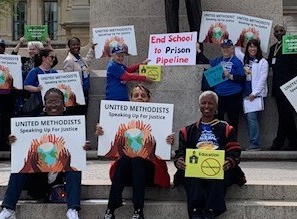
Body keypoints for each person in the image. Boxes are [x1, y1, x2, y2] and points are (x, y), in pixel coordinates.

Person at [0, 88, 90, 219]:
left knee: (75, 167)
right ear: (44, 105)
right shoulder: (32, 124)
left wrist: (83, 147)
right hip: (37, 178)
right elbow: (20, 152)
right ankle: (8, 209)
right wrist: (14, 142)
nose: (53, 105)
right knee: (20, 165)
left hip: (59, 178)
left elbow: (76, 151)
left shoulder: (74, 124)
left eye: (57, 102)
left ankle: (72, 210)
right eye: (50, 102)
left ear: (64, 104)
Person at [96, 85, 174, 219]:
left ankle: (138, 209)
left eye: (143, 96)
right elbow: (112, 147)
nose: (139, 98)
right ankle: (111, 209)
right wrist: (103, 134)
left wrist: (168, 141)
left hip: (150, 173)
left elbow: (162, 150)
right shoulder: (120, 119)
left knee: (138, 159)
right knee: (127, 158)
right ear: (130, 99)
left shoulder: (159, 118)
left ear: (149, 99)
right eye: (136, 95)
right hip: (125, 172)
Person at [173, 91, 244, 219]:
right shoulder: (187, 131)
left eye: (211, 103)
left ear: (216, 106)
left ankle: (211, 211)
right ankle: (195, 211)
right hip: (196, 167)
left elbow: (234, 150)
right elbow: (180, 151)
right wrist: (179, 160)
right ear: (199, 106)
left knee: (217, 175)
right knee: (193, 176)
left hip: (219, 167)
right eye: (204, 103)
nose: (207, 106)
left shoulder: (226, 128)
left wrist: (229, 161)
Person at [267, 25, 297, 151]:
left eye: (281, 30)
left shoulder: (291, 45)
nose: (279, 33)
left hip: (289, 85)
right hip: (277, 86)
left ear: (285, 32)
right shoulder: (273, 48)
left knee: (285, 115)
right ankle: (294, 143)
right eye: (276, 31)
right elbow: (269, 62)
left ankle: (278, 142)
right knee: (286, 115)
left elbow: (296, 62)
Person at [208, 39, 245, 131]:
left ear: (232, 48)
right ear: (221, 49)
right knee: (218, 120)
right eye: (223, 48)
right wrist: (198, 51)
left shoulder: (236, 62)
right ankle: (221, 142)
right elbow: (206, 61)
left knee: (233, 121)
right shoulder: (217, 61)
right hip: (219, 95)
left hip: (233, 95)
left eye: (228, 47)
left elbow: (242, 78)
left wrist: (230, 76)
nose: (226, 50)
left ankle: (232, 143)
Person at [242, 39, 268, 151]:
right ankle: (253, 142)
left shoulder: (263, 62)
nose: (252, 49)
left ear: (258, 48)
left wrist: (254, 93)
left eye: (255, 46)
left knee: (252, 118)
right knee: (249, 119)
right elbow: (237, 49)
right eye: (250, 46)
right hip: (245, 93)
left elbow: (263, 79)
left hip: (256, 94)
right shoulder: (245, 60)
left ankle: (255, 144)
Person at [63, 37, 95, 116]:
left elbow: (87, 61)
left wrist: (92, 49)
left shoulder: (79, 57)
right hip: (76, 95)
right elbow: (68, 80)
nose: (76, 46)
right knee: (77, 115)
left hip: (85, 92)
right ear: (69, 46)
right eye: (73, 45)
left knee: (83, 115)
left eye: (77, 44)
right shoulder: (69, 60)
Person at [23, 49, 59, 114]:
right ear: (44, 58)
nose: (53, 59)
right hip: (39, 104)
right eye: (51, 57)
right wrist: (37, 89)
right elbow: (26, 86)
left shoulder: (54, 72)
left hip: (53, 104)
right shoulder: (35, 71)